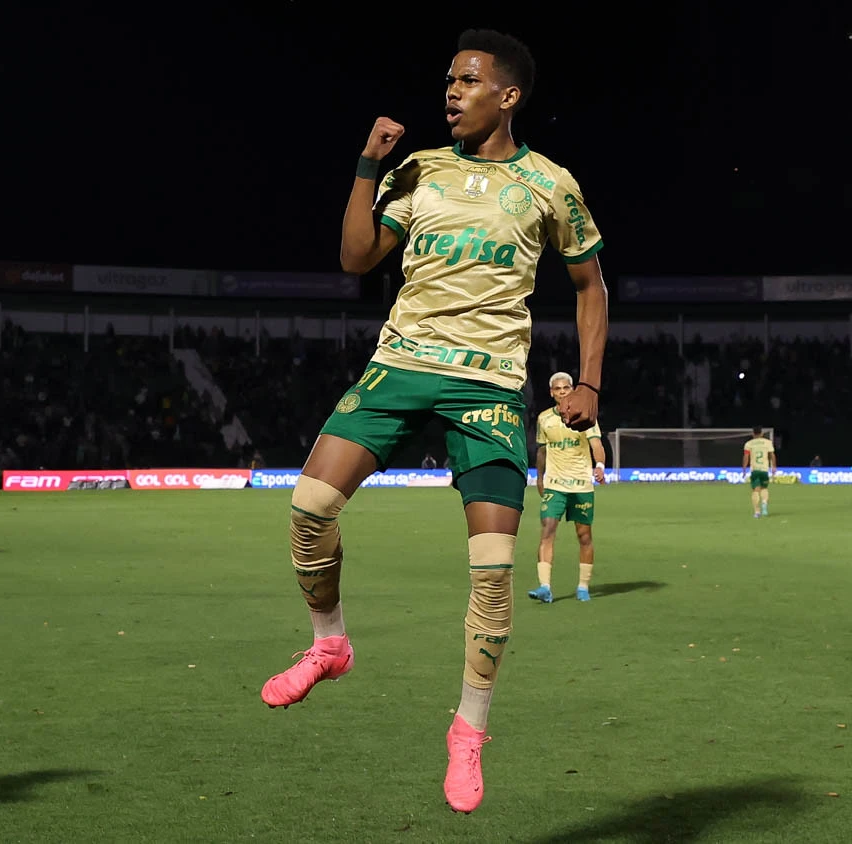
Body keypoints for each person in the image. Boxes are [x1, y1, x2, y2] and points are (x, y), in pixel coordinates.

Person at [258, 29, 607, 815]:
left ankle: (468, 732)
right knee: (309, 508)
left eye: (468, 80)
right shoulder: (420, 169)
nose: (451, 91)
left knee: (491, 568)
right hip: (400, 368)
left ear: (507, 95)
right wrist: (367, 167)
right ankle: (329, 645)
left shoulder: (552, 185)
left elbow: (591, 285)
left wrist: (589, 382)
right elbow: (356, 259)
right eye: (449, 79)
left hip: (486, 388)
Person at [530, 372, 605, 602]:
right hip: (555, 484)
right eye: (557, 388)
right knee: (548, 529)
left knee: (584, 536)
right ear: (552, 393)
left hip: (581, 484)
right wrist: (540, 477)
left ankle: (583, 586)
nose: (562, 391)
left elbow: (596, 444)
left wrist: (600, 464)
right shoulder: (544, 419)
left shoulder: (585, 415)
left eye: (566, 387)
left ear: (572, 389)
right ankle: (545, 587)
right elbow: (542, 451)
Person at [742, 427, 777, 517]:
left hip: (755, 470)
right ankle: (764, 504)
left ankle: (757, 512)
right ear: (761, 433)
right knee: (764, 488)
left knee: (755, 490)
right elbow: (772, 455)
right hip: (764, 469)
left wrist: (744, 468)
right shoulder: (767, 442)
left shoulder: (748, 444)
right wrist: (774, 466)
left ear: (753, 433)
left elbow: (746, 456)